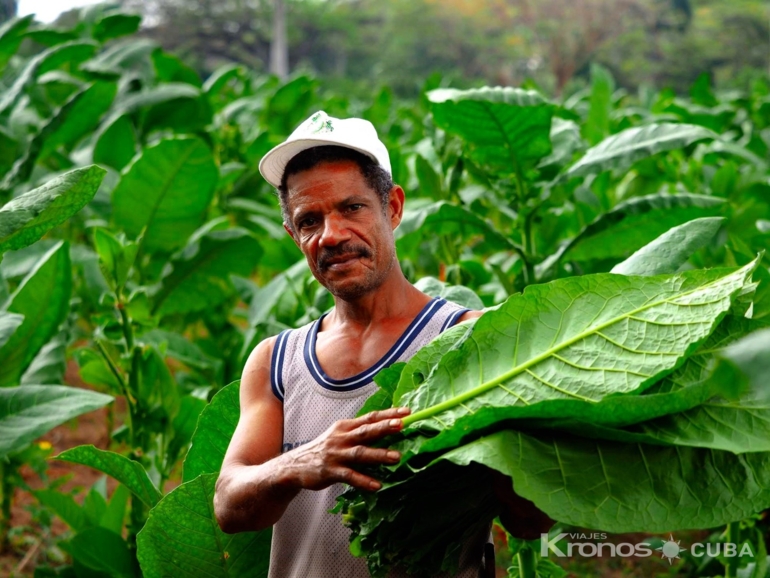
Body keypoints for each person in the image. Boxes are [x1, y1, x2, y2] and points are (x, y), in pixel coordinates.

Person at [213, 111, 554, 578]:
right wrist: (305, 460)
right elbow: (230, 506)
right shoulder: (275, 362)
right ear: (294, 237)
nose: (331, 235)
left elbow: (532, 520)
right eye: (309, 220)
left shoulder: (471, 341)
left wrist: (488, 431)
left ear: (392, 207)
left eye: (351, 208)